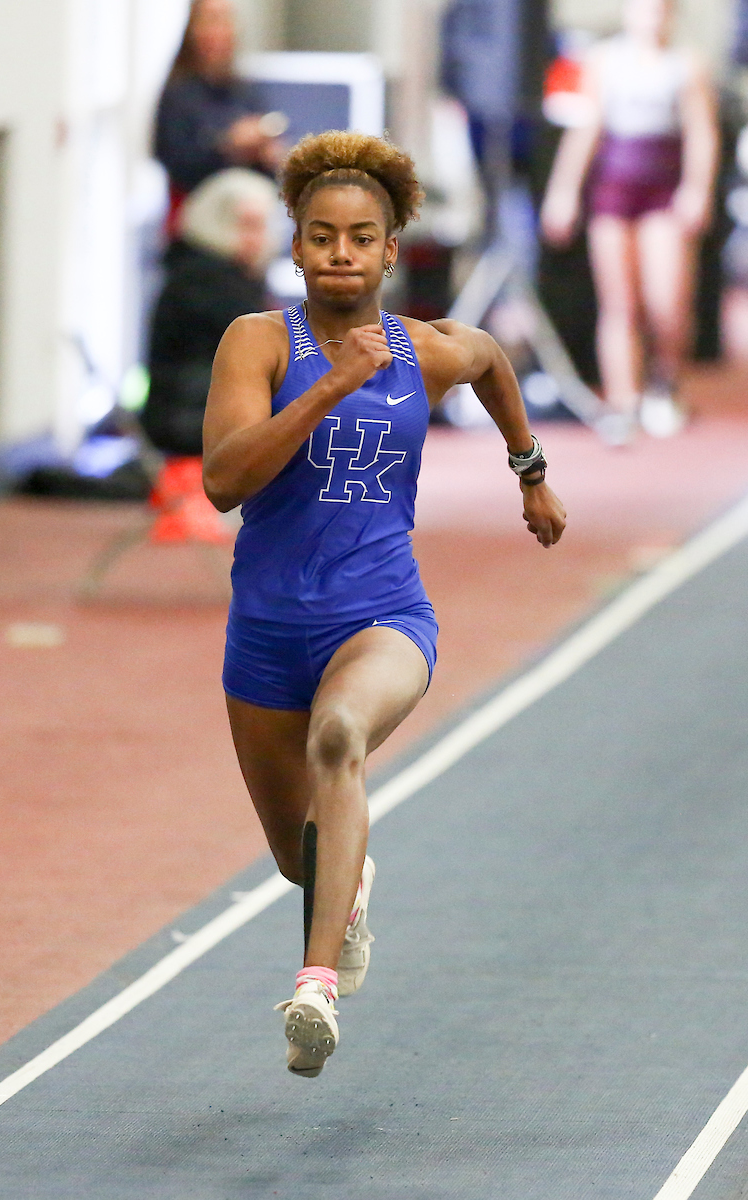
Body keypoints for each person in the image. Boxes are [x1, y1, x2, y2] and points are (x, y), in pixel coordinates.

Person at [202, 131, 567, 1077]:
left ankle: (314, 988)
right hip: (266, 633)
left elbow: (491, 361)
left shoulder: (427, 350)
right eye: (322, 236)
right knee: (302, 858)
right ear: (296, 247)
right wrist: (331, 384)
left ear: (391, 251)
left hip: (382, 618)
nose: (341, 253)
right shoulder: (256, 342)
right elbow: (224, 482)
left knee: (339, 740)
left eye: (361, 238)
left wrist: (530, 471)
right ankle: (346, 884)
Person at [540, 0, 719, 443]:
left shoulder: (686, 65)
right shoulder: (603, 61)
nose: (650, 17)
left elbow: (701, 132)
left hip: (663, 188)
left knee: (667, 302)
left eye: (659, 9)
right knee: (618, 302)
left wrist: (697, 188)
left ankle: (664, 383)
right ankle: (623, 400)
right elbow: (586, 129)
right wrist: (563, 191)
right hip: (614, 190)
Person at [141, 168, 279, 457]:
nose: (257, 239)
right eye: (247, 226)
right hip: (189, 424)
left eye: (261, 226)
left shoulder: (207, 272)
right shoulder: (205, 280)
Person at [154, 0, 284, 235]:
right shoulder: (179, 94)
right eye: (211, 20)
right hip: (197, 222)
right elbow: (175, 160)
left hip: (248, 219)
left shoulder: (244, 91)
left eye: (225, 21)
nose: (219, 31)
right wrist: (228, 146)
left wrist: (266, 152)